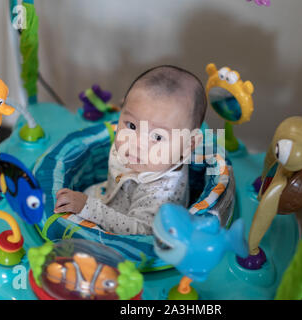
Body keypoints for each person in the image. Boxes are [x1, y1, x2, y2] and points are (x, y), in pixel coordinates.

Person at [54, 65, 207, 235]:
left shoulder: (163, 193)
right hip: (107, 197)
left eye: (157, 137)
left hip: (128, 233)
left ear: (189, 145)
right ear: (121, 111)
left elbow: (142, 231)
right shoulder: (141, 154)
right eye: (132, 125)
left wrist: (88, 207)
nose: (137, 143)